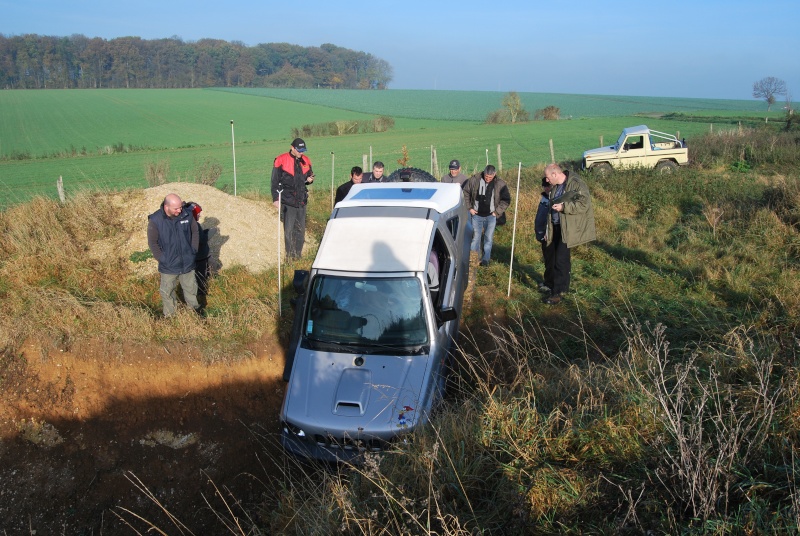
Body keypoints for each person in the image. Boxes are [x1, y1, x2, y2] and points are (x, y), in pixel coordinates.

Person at [542, 163, 596, 305]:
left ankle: (557, 293)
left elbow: (584, 204)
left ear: (554, 174)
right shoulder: (555, 189)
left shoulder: (576, 184)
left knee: (561, 260)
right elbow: (549, 211)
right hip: (556, 228)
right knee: (553, 257)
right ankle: (559, 286)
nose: (546, 181)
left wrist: (564, 207)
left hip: (569, 229)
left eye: (547, 177)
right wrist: (548, 230)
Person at [147, 193, 202, 317]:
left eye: (180, 207)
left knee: (191, 289)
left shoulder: (187, 215)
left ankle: (193, 314)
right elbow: (152, 242)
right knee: (167, 292)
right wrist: (162, 258)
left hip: (188, 262)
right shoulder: (155, 220)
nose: (180, 210)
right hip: (168, 265)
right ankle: (170, 317)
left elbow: (195, 232)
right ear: (167, 207)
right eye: (176, 208)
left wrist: (193, 250)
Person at [271, 137, 315, 259]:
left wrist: (309, 180)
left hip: (302, 200)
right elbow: (274, 181)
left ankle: (298, 255)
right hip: (288, 200)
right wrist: (276, 198)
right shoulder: (281, 160)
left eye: (303, 150)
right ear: (292, 148)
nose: (302, 152)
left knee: (300, 230)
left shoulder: (306, 160)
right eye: (299, 150)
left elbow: (308, 176)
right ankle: (290, 257)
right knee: (289, 230)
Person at [462, 165, 511, 267]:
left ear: (494, 175)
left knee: (488, 238)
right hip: (476, 215)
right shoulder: (474, 180)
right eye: (486, 177)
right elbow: (465, 192)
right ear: (483, 173)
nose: (488, 179)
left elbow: (506, 200)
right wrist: (469, 208)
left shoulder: (500, 184)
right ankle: (473, 259)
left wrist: (496, 212)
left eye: (490, 177)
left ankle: (485, 260)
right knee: (475, 238)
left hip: (491, 216)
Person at [533, 177, 554, 294]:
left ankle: (551, 284)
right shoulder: (544, 198)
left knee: (551, 260)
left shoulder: (553, 199)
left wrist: (547, 232)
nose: (546, 188)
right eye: (544, 186)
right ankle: (547, 281)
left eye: (548, 186)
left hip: (549, 235)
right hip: (541, 233)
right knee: (546, 259)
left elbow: (550, 218)